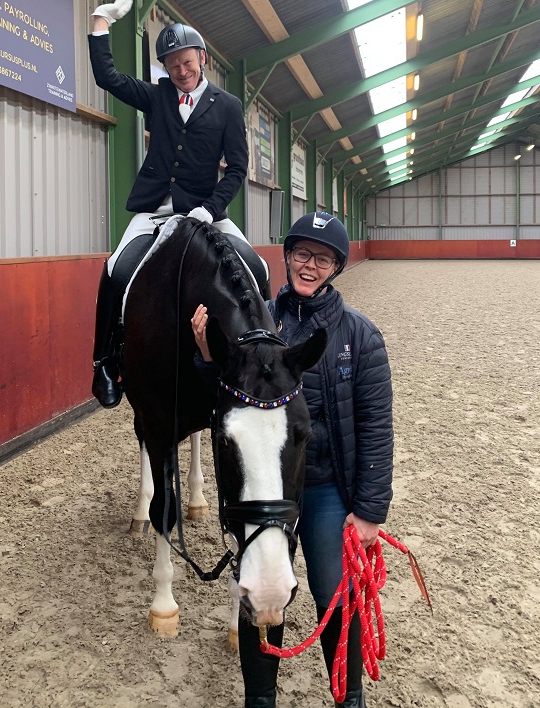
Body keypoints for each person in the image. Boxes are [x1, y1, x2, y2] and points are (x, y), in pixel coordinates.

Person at [192, 211, 394, 708]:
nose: (309, 265)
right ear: (287, 256)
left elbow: (376, 427)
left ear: (336, 267)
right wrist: (207, 355)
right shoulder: (253, 322)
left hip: (325, 486)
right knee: (260, 593)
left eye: (322, 259)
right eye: (302, 253)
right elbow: (222, 403)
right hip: (268, 487)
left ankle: (348, 699)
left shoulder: (360, 336)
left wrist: (370, 509)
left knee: (334, 594)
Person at [88, 0, 268, 409]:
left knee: (257, 268)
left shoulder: (228, 107)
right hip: (154, 209)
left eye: (187, 63)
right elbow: (108, 78)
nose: (182, 72)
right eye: (173, 66)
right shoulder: (158, 96)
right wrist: (101, 23)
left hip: (205, 210)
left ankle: (265, 351)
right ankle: (104, 362)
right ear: (165, 69)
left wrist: (211, 208)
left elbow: (237, 169)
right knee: (116, 270)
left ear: (202, 58)